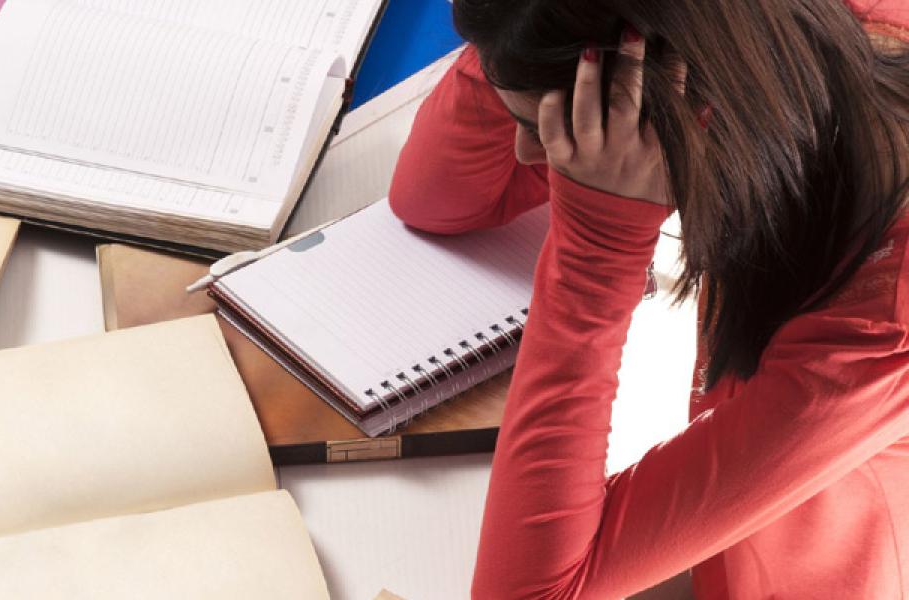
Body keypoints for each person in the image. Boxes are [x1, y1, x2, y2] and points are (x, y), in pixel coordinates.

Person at [389, 0, 909, 598]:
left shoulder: (882, 324)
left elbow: (529, 594)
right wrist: (531, 26)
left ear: (673, 107)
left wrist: (597, 247)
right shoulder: (769, 47)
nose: (527, 154)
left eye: (545, 128)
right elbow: (433, 198)